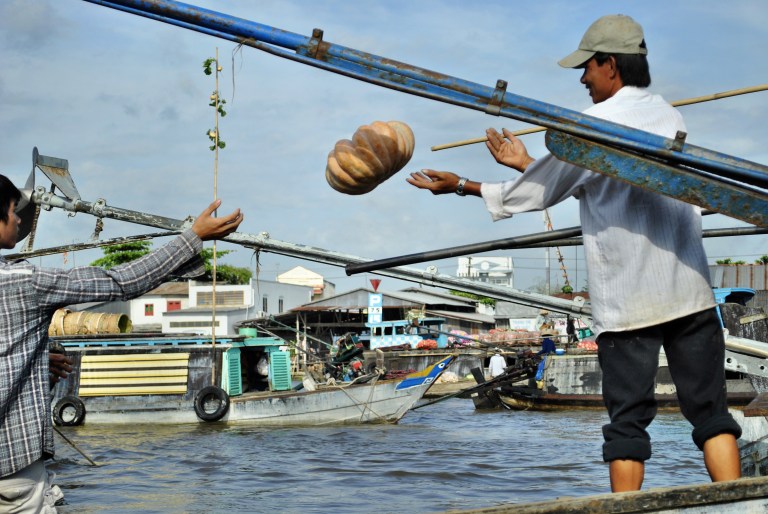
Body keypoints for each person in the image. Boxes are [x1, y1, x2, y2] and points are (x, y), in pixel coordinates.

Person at [407, 14, 742, 492]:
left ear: (610, 64)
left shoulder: (589, 127)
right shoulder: (669, 115)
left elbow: (538, 194)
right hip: (688, 290)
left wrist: (462, 185)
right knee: (711, 413)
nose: (583, 79)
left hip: (630, 303)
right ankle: (740, 503)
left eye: (586, 67)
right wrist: (530, 165)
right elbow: (590, 183)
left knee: (627, 424)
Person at [0, 173, 243, 512]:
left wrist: (35, 367)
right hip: (13, 470)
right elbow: (120, 282)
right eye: (13, 210)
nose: (17, 218)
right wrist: (193, 238)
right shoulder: (22, 281)